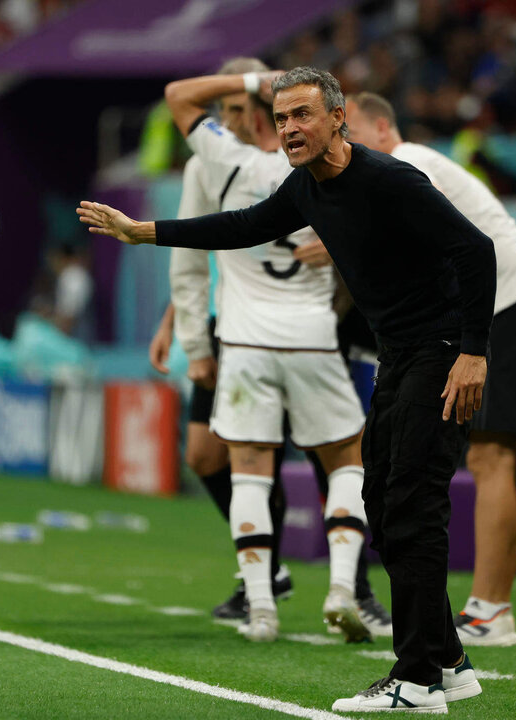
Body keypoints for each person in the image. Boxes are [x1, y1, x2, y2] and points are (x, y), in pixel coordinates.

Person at [78, 66, 492, 713]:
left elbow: (475, 251)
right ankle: (448, 660)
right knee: (382, 506)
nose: (290, 128)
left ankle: (415, 680)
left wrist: (472, 353)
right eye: (280, 119)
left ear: (336, 117)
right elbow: (237, 226)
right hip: (401, 357)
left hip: (439, 356)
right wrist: (143, 231)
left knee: (411, 510)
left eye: (301, 115)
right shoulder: (304, 189)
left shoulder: (390, 181)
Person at [152, 59, 377, 644]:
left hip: (246, 343)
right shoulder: (324, 174)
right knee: (346, 462)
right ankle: (344, 588)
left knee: (248, 470)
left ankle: (260, 609)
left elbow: (178, 93)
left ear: (250, 119)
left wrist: (256, 80)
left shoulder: (224, 162)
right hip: (311, 337)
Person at [345, 91, 516, 647]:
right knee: (504, 457)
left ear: (381, 128)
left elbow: (433, 240)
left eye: (353, 132)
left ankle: (489, 609)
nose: (346, 146)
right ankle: (495, 608)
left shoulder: (409, 160)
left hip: (509, 303)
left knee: (491, 455)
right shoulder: (415, 166)